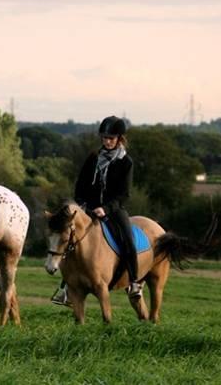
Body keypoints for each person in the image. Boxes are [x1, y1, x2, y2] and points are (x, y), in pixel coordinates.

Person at [51, 115, 141, 306]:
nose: (107, 142)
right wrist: (82, 203)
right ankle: (64, 289)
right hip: (88, 209)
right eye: (104, 138)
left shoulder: (126, 163)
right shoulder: (93, 158)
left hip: (114, 210)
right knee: (71, 242)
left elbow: (124, 194)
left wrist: (106, 208)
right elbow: (80, 184)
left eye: (111, 138)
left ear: (119, 139)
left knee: (128, 240)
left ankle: (134, 283)